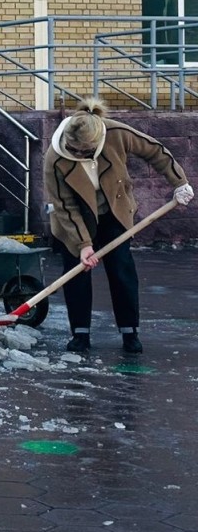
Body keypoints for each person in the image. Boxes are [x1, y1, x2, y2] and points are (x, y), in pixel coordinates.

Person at [44, 97, 192, 354]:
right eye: (74, 151)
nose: (77, 155)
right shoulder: (55, 158)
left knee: (121, 271)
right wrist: (83, 245)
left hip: (115, 211)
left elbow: (155, 150)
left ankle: (129, 332)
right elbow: (65, 206)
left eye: (83, 153)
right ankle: (80, 334)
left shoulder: (115, 133)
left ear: (95, 145)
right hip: (75, 219)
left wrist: (179, 182)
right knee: (77, 275)